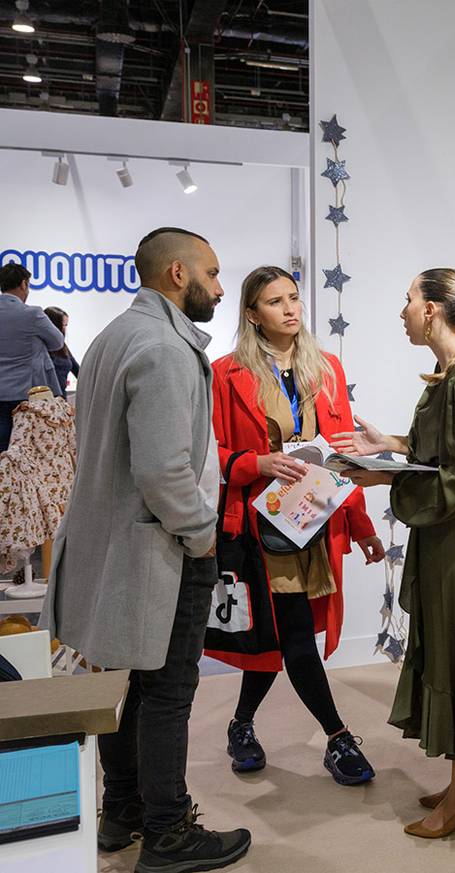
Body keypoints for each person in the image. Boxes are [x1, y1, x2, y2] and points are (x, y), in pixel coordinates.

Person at [42, 228, 252, 873]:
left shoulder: (113, 336)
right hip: (159, 547)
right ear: (178, 273)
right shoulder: (164, 346)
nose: (221, 288)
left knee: (132, 683)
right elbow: (164, 471)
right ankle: (167, 832)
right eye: (213, 275)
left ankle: (123, 813)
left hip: (115, 544)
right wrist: (201, 533)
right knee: (167, 691)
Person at [331, 267, 455, 839]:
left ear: (433, 309)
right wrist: (393, 446)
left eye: (408, 299)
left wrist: (383, 480)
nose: (403, 310)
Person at [207, 265, 385, 784]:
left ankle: (240, 725)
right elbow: (209, 453)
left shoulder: (325, 369)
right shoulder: (226, 373)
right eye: (274, 302)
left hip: (317, 521)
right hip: (262, 528)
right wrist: (254, 464)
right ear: (252, 315)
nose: (290, 309)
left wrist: (363, 526)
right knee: (295, 633)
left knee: (277, 635)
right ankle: (338, 737)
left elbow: (342, 459)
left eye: (294, 298)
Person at [0, 262, 64, 451]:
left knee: (3, 450)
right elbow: (57, 342)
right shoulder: (32, 313)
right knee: (28, 451)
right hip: (27, 393)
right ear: (23, 284)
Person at [43, 306, 81, 395]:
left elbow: (78, 371)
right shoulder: (40, 346)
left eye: (66, 325)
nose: (65, 329)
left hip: (61, 398)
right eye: (64, 325)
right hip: (45, 400)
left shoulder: (63, 347)